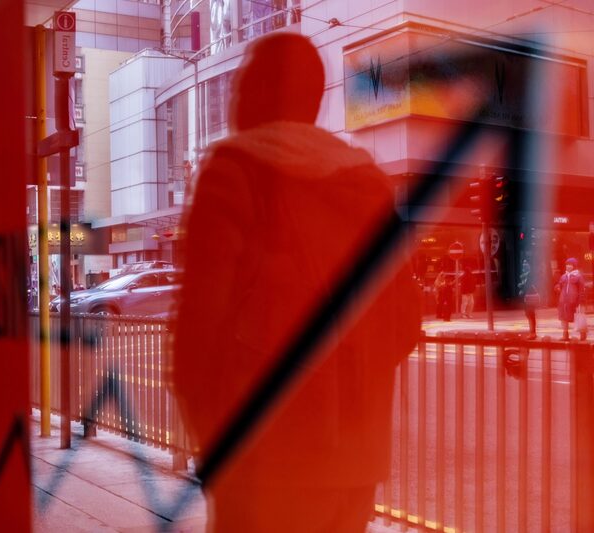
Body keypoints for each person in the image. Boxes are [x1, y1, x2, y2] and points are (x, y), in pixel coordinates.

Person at [171, 33, 421, 532]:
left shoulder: (234, 172)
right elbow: (406, 319)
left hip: (263, 461)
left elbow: (199, 330)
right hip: (354, 464)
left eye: (242, 82)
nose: (235, 95)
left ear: (262, 91)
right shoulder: (367, 183)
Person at [555, 257, 586, 341]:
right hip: (564, 301)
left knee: (579, 317)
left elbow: (581, 289)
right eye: (567, 264)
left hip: (575, 301)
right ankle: (565, 335)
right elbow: (559, 287)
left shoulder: (578, 276)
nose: (568, 266)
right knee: (563, 318)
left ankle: (582, 334)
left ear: (574, 266)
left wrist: (581, 301)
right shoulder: (563, 276)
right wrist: (557, 287)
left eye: (570, 265)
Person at [517, 259, 538, 340]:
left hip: (530, 297)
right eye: (523, 262)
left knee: (530, 315)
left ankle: (532, 333)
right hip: (527, 297)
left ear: (530, 265)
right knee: (529, 315)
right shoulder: (524, 275)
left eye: (526, 263)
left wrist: (522, 288)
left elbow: (528, 285)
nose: (524, 264)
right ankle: (532, 332)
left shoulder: (531, 274)